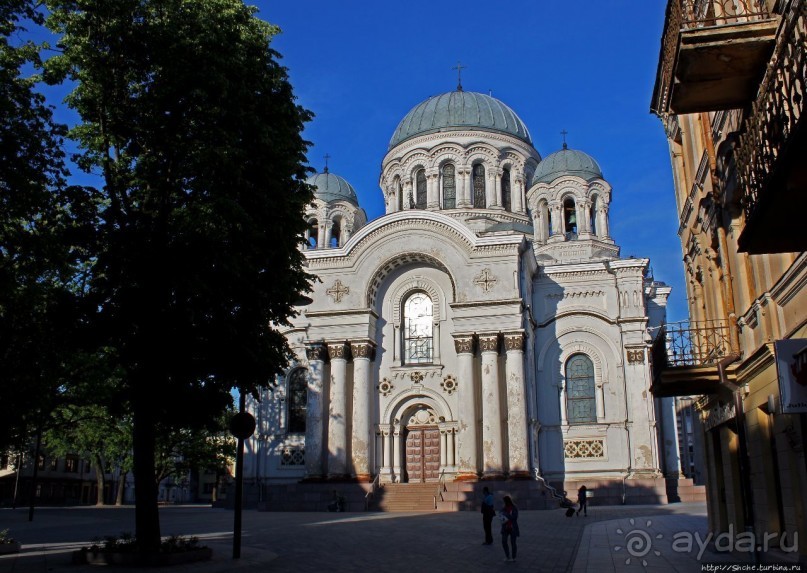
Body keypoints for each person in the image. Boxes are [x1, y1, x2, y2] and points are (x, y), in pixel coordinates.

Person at [499, 495, 519, 562]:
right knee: (504, 541)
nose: (504, 503)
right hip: (505, 527)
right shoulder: (503, 508)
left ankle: (514, 557)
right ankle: (507, 556)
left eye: (505, 501)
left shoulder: (514, 508)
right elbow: (501, 515)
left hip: (512, 527)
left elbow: (515, 517)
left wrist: (506, 515)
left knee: (513, 543)